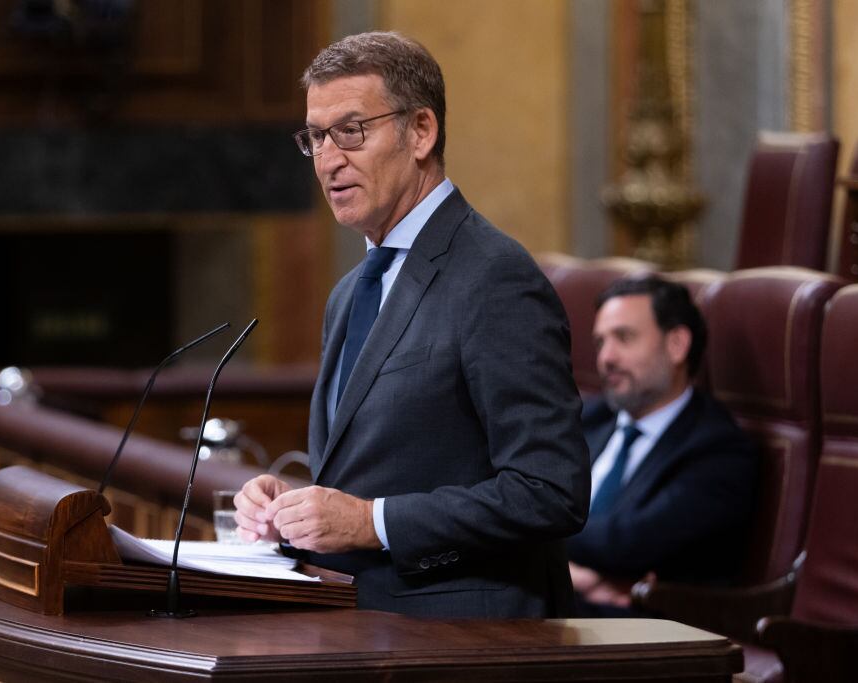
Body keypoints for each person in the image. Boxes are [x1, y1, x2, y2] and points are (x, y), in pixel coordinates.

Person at [233, 31, 590, 618]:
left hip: (463, 639)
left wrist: (370, 522)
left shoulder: (495, 277)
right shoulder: (352, 291)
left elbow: (550, 490)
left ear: (420, 132)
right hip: (358, 625)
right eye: (316, 137)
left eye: (350, 131)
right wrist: (297, 511)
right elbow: (382, 469)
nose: (328, 160)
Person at [565, 275, 757, 616]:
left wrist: (532, 537)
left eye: (623, 338)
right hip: (570, 604)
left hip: (643, 630)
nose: (605, 358)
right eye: (599, 343)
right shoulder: (586, 418)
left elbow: (627, 543)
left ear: (677, 344)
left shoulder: (718, 450)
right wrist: (574, 576)